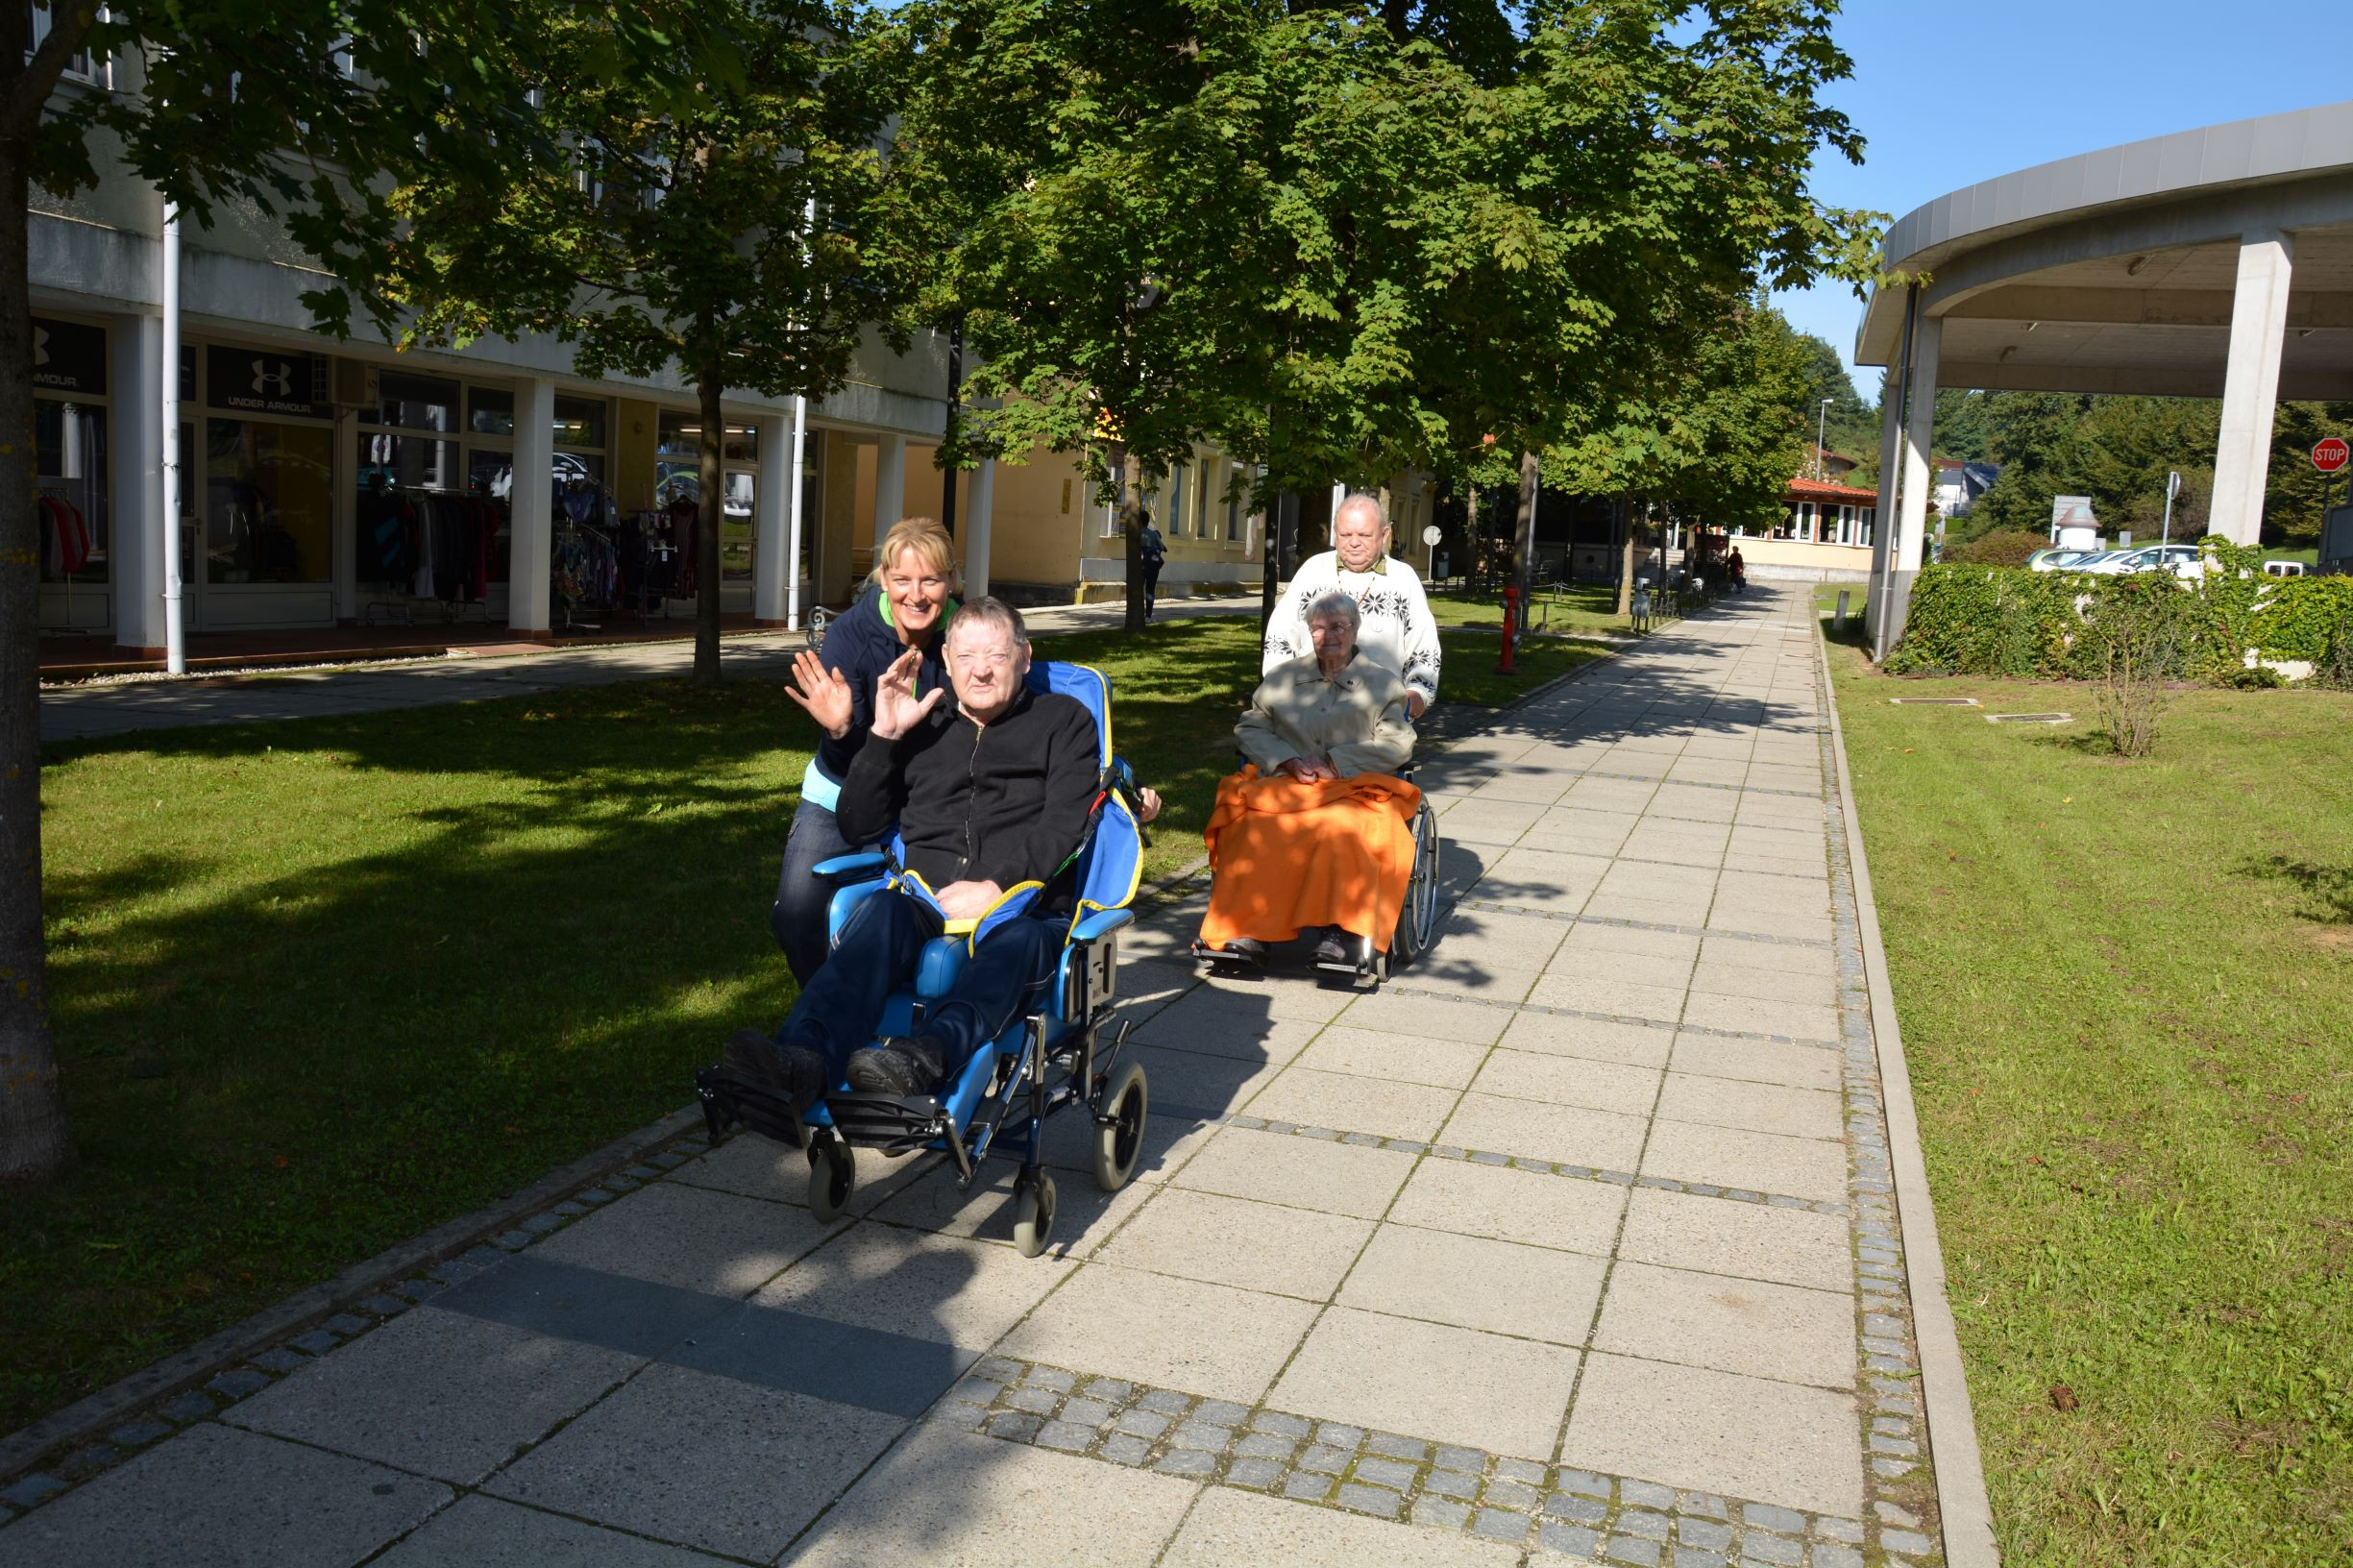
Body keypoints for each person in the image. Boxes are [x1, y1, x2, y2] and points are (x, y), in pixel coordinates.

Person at [727, 599, 1158, 1110]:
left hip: (1026, 907)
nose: (981, 670)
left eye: (997, 655)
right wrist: (884, 738)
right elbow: (858, 825)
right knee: (881, 912)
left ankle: (923, 1060)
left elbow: (1064, 824)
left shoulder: (1064, 721)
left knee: (1018, 941)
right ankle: (800, 1059)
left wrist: (997, 888)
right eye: (967, 656)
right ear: (947, 661)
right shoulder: (923, 723)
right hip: (925, 900)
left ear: (1024, 657)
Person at [771, 517, 958, 987]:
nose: (916, 595)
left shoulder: (966, 634)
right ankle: (826, 1015)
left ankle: (890, 1015)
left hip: (925, 798)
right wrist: (839, 732)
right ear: (884, 579)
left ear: (952, 581)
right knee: (797, 917)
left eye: (931, 580)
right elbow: (849, 760)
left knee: (902, 922)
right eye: (903, 580)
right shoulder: (852, 634)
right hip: (840, 788)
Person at [1204, 591, 1418, 967]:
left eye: (1338, 627)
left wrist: (1336, 761)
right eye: (1319, 628)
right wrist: (1286, 760)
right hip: (1290, 783)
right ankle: (1247, 926)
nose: (1328, 635)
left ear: (1355, 629)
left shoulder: (1382, 684)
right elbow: (1250, 727)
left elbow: (1398, 743)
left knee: (1343, 827)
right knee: (1251, 823)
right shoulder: (1283, 679)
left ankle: (1341, 931)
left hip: (1354, 787)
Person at [1262, 493, 1440, 719]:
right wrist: (1281, 690)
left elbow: (1424, 647)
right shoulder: (1312, 572)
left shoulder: (1403, 579)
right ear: (1335, 533)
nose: (1354, 542)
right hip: (1309, 711)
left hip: (1380, 714)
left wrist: (1417, 694)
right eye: (1345, 534)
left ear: (1384, 535)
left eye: (1364, 535)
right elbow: (1279, 637)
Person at [1138, 509, 1165, 619]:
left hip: (1141, 564)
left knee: (1138, 589)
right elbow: (1162, 547)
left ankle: (1139, 613)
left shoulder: (1137, 534)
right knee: (1150, 590)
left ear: (1139, 521)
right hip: (1153, 566)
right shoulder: (1154, 534)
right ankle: (1148, 616)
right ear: (1148, 521)